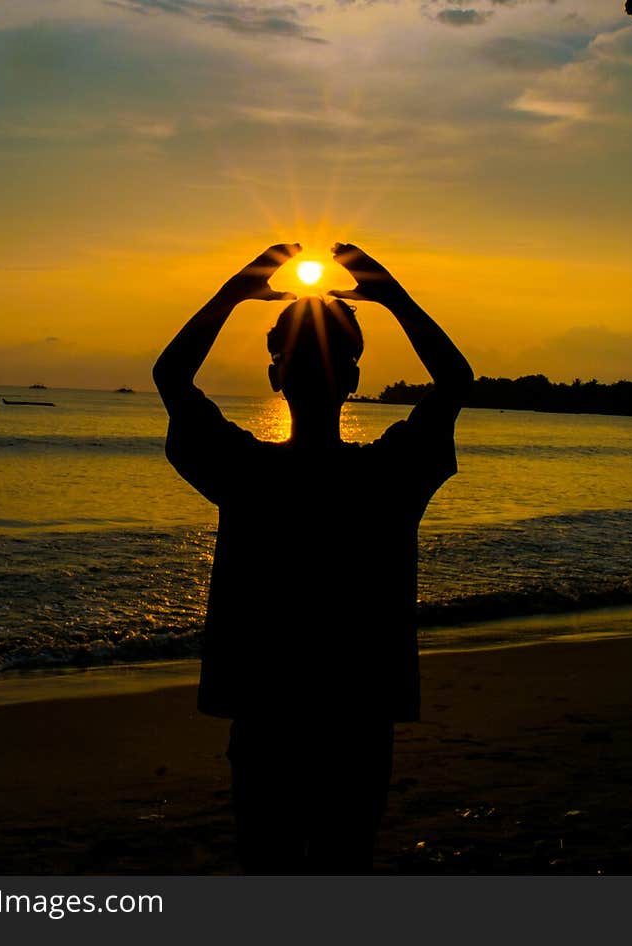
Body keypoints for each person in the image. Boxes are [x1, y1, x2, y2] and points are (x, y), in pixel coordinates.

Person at [152, 242, 473, 873]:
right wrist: (391, 295)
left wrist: (233, 292)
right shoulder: (388, 476)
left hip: (268, 709)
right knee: (343, 861)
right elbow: (456, 382)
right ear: (354, 380)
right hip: (358, 710)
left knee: (269, 863)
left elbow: (171, 379)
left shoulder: (248, 474)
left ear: (275, 376)